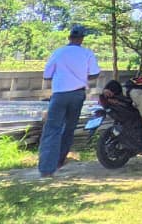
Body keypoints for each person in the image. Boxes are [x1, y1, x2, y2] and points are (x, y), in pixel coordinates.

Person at [39, 24, 101, 177]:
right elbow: (94, 74)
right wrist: (82, 76)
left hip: (60, 94)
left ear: (69, 37)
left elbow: (47, 75)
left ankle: (47, 168)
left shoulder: (58, 52)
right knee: (69, 128)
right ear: (82, 39)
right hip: (78, 94)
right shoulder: (87, 53)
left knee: (52, 128)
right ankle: (60, 161)